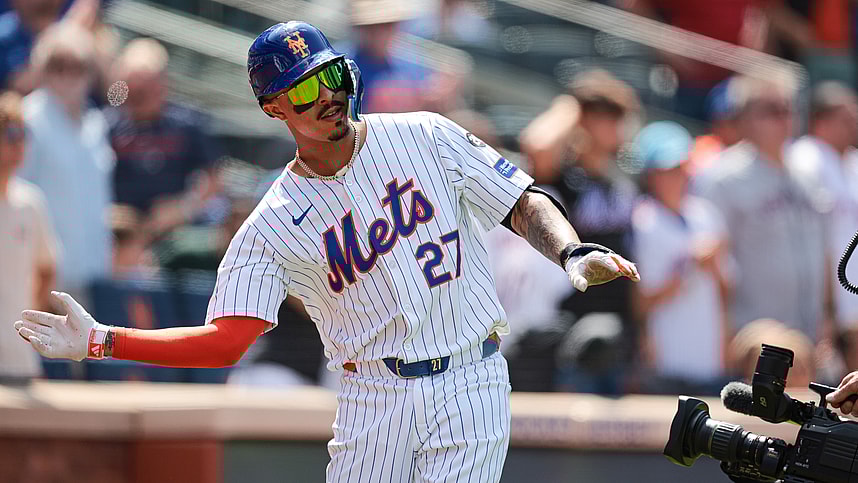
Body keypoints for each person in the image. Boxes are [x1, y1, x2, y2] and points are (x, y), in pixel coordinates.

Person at [12, 21, 640, 482]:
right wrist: (103, 341)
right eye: (305, 89)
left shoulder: (425, 133)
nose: (328, 95)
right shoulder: (274, 222)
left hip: (468, 378)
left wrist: (570, 251)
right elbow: (226, 339)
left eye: (331, 76)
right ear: (273, 106)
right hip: (371, 398)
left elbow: (522, 200)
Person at [696, 75, 828, 344]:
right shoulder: (723, 177)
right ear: (743, 120)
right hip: (754, 335)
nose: (783, 118)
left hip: (810, 333)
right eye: (770, 111)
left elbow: (824, 253)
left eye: (787, 109)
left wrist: (828, 317)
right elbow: (711, 262)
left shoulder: (807, 173)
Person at [631, 121, 733, 396]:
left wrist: (710, 265)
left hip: (709, 361)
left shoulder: (707, 215)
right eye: (670, 170)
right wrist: (691, 265)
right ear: (651, 175)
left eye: (683, 167)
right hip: (667, 363)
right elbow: (641, 303)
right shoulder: (642, 222)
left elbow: (727, 290)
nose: (681, 175)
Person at [16, 21, 114, 305]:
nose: (69, 75)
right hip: (42, 275)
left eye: (79, 65)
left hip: (93, 274)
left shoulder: (96, 124)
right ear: (43, 68)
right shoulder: (28, 119)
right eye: (58, 65)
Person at [106, 37, 222, 242]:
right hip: (119, 234)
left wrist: (183, 208)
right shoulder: (108, 125)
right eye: (134, 88)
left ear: (162, 83)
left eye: (147, 86)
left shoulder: (186, 123)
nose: (140, 95)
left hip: (175, 232)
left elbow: (214, 177)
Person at [787, 81, 858, 369]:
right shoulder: (804, 159)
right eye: (846, 119)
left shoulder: (853, 161)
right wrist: (825, 308)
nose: (853, 126)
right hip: (820, 297)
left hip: (850, 296)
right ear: (821, 121)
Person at [0, 90, 57, 382]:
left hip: (20, 361)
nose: (20, 143)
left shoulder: (31, 203)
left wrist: (29, 330)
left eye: (24, 133)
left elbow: (47, 269)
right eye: (11, 133)